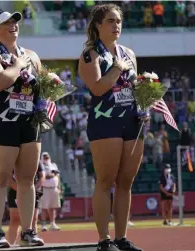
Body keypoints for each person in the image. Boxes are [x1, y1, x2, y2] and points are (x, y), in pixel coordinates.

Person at [77, 4, 147, 251]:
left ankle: (121, 237)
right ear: (98, 25)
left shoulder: (129, 53)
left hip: (132, 120)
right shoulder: (90, 54)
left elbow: (135, 86)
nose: (116, 25)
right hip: (105, 120)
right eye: (110, 21)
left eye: (118, 21)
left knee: (126, 182)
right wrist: (117, 67)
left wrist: (146, 100)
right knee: (105, 180)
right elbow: (97, 87)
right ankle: (104, 240)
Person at [0, 11, 45, 248]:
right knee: (0, 178)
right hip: (1, 120)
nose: (13, 25)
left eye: (14, 22)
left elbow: (41, 85)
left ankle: (28, 231)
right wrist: (17, 66)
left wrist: (50, 87)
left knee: (28, 179)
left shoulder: (31, 55)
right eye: (6, 23)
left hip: (29, 120)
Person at [7, 162, 44, 245]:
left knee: (33, 219)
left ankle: (32, 241)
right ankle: (11, 244)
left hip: (32, 191)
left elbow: (42, 176)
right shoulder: (12, 158)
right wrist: (20, 191)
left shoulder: (35, 157)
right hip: (15, 191)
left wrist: (34, 189)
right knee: (15, 220)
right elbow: (8, 178)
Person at [40, 152, 61, 231]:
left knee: (52, 207)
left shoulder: (53, 165)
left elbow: (58, 176)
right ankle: (43, 225)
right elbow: (46, 176)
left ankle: (52, 223)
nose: (46, 158)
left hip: (54, 188)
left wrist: (59, 188)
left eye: (47, 156)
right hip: (45, 188)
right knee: (44, 208)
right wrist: (52, 174)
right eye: (45, 156)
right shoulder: (41, 165)